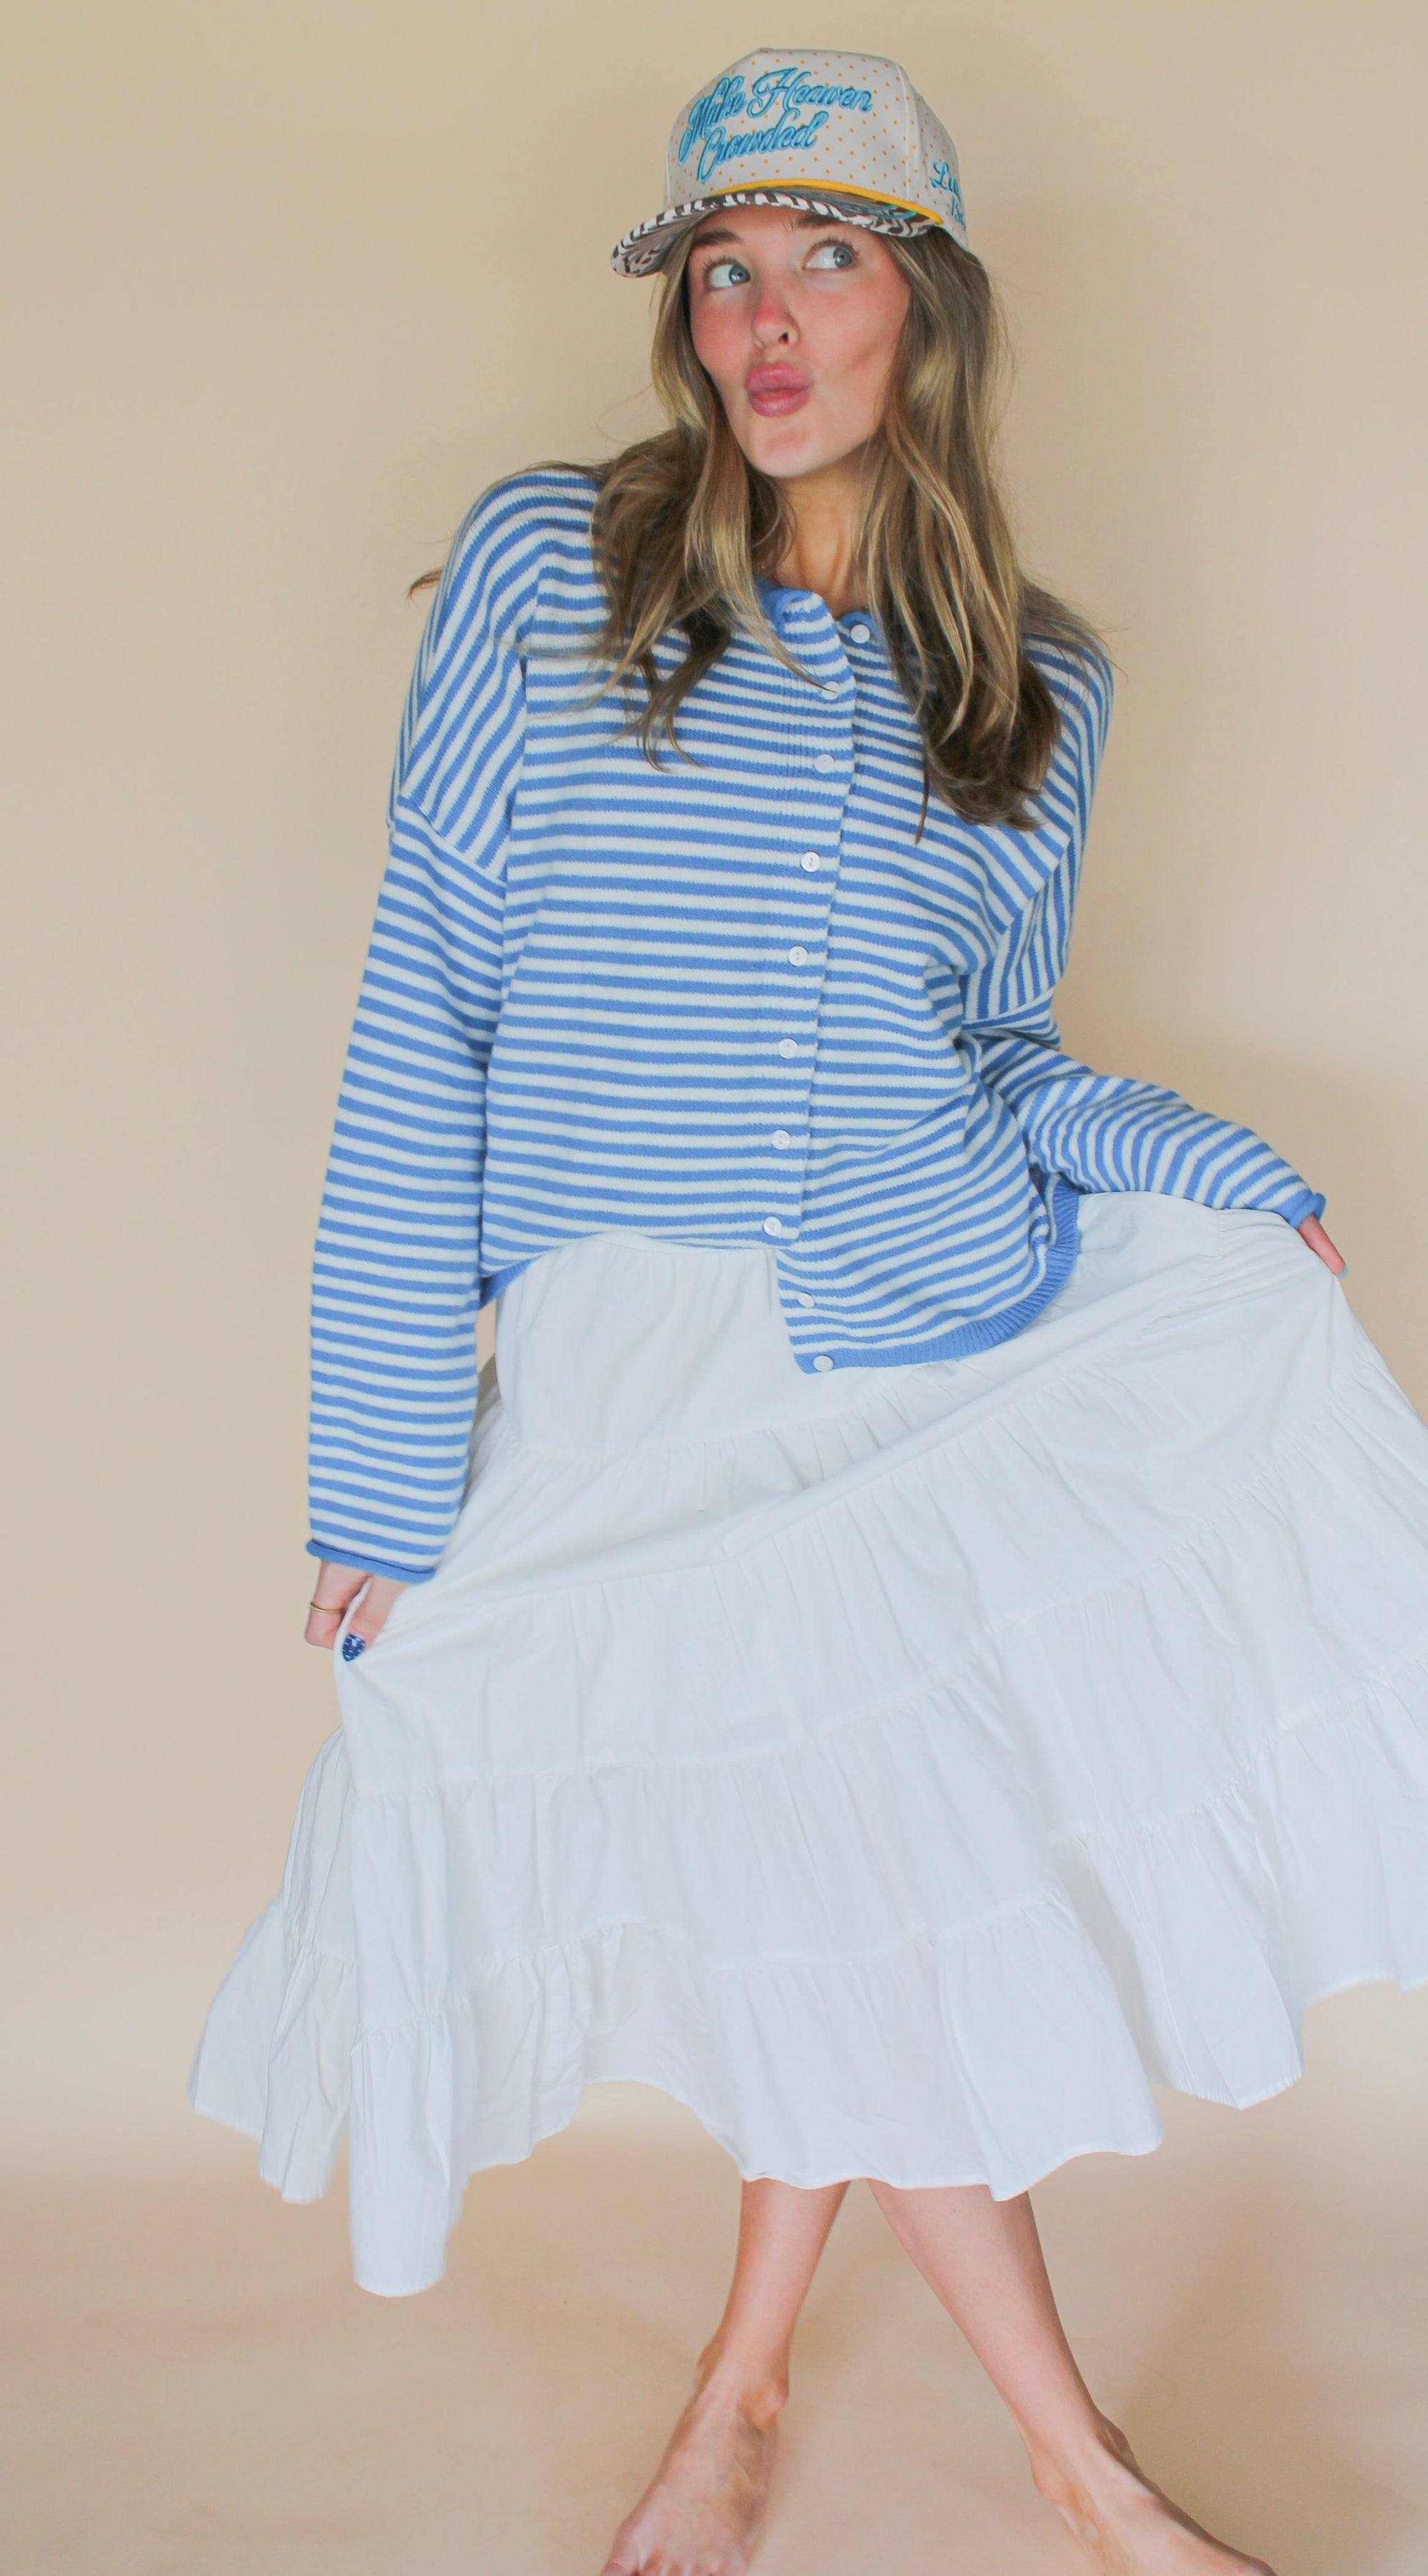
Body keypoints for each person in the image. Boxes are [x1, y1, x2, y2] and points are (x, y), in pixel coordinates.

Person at [190, 49, 1428, 2576]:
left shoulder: (1035, 684)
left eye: (825, 262)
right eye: (724, 271)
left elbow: (997, 1058)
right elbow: (425, 1005)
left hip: (905, 1351)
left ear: (925, 304)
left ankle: (939, 2447)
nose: (764, 323)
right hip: (633, 1377)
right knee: (837, 1894)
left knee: (848, 1896)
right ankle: (931, 2439)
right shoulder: (551, 566)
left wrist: (1219, 1170)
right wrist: (383, 1464)